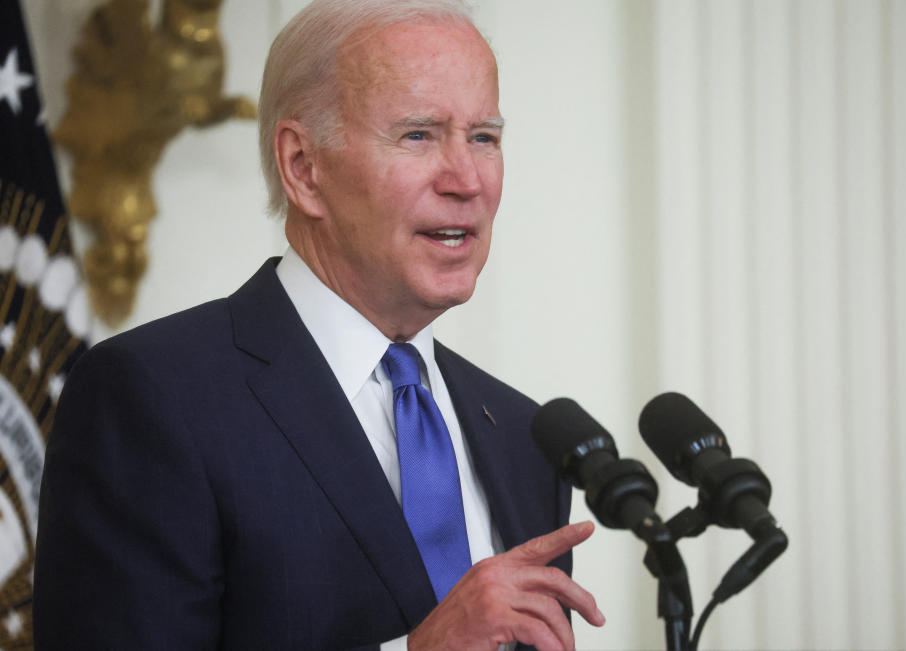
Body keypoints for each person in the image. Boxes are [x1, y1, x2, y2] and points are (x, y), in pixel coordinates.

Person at [33, 0, 605, 649]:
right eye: (418, 134)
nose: (467, 179)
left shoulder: (524, 438)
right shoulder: (153, 398)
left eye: (484, 137)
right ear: (303, 168)